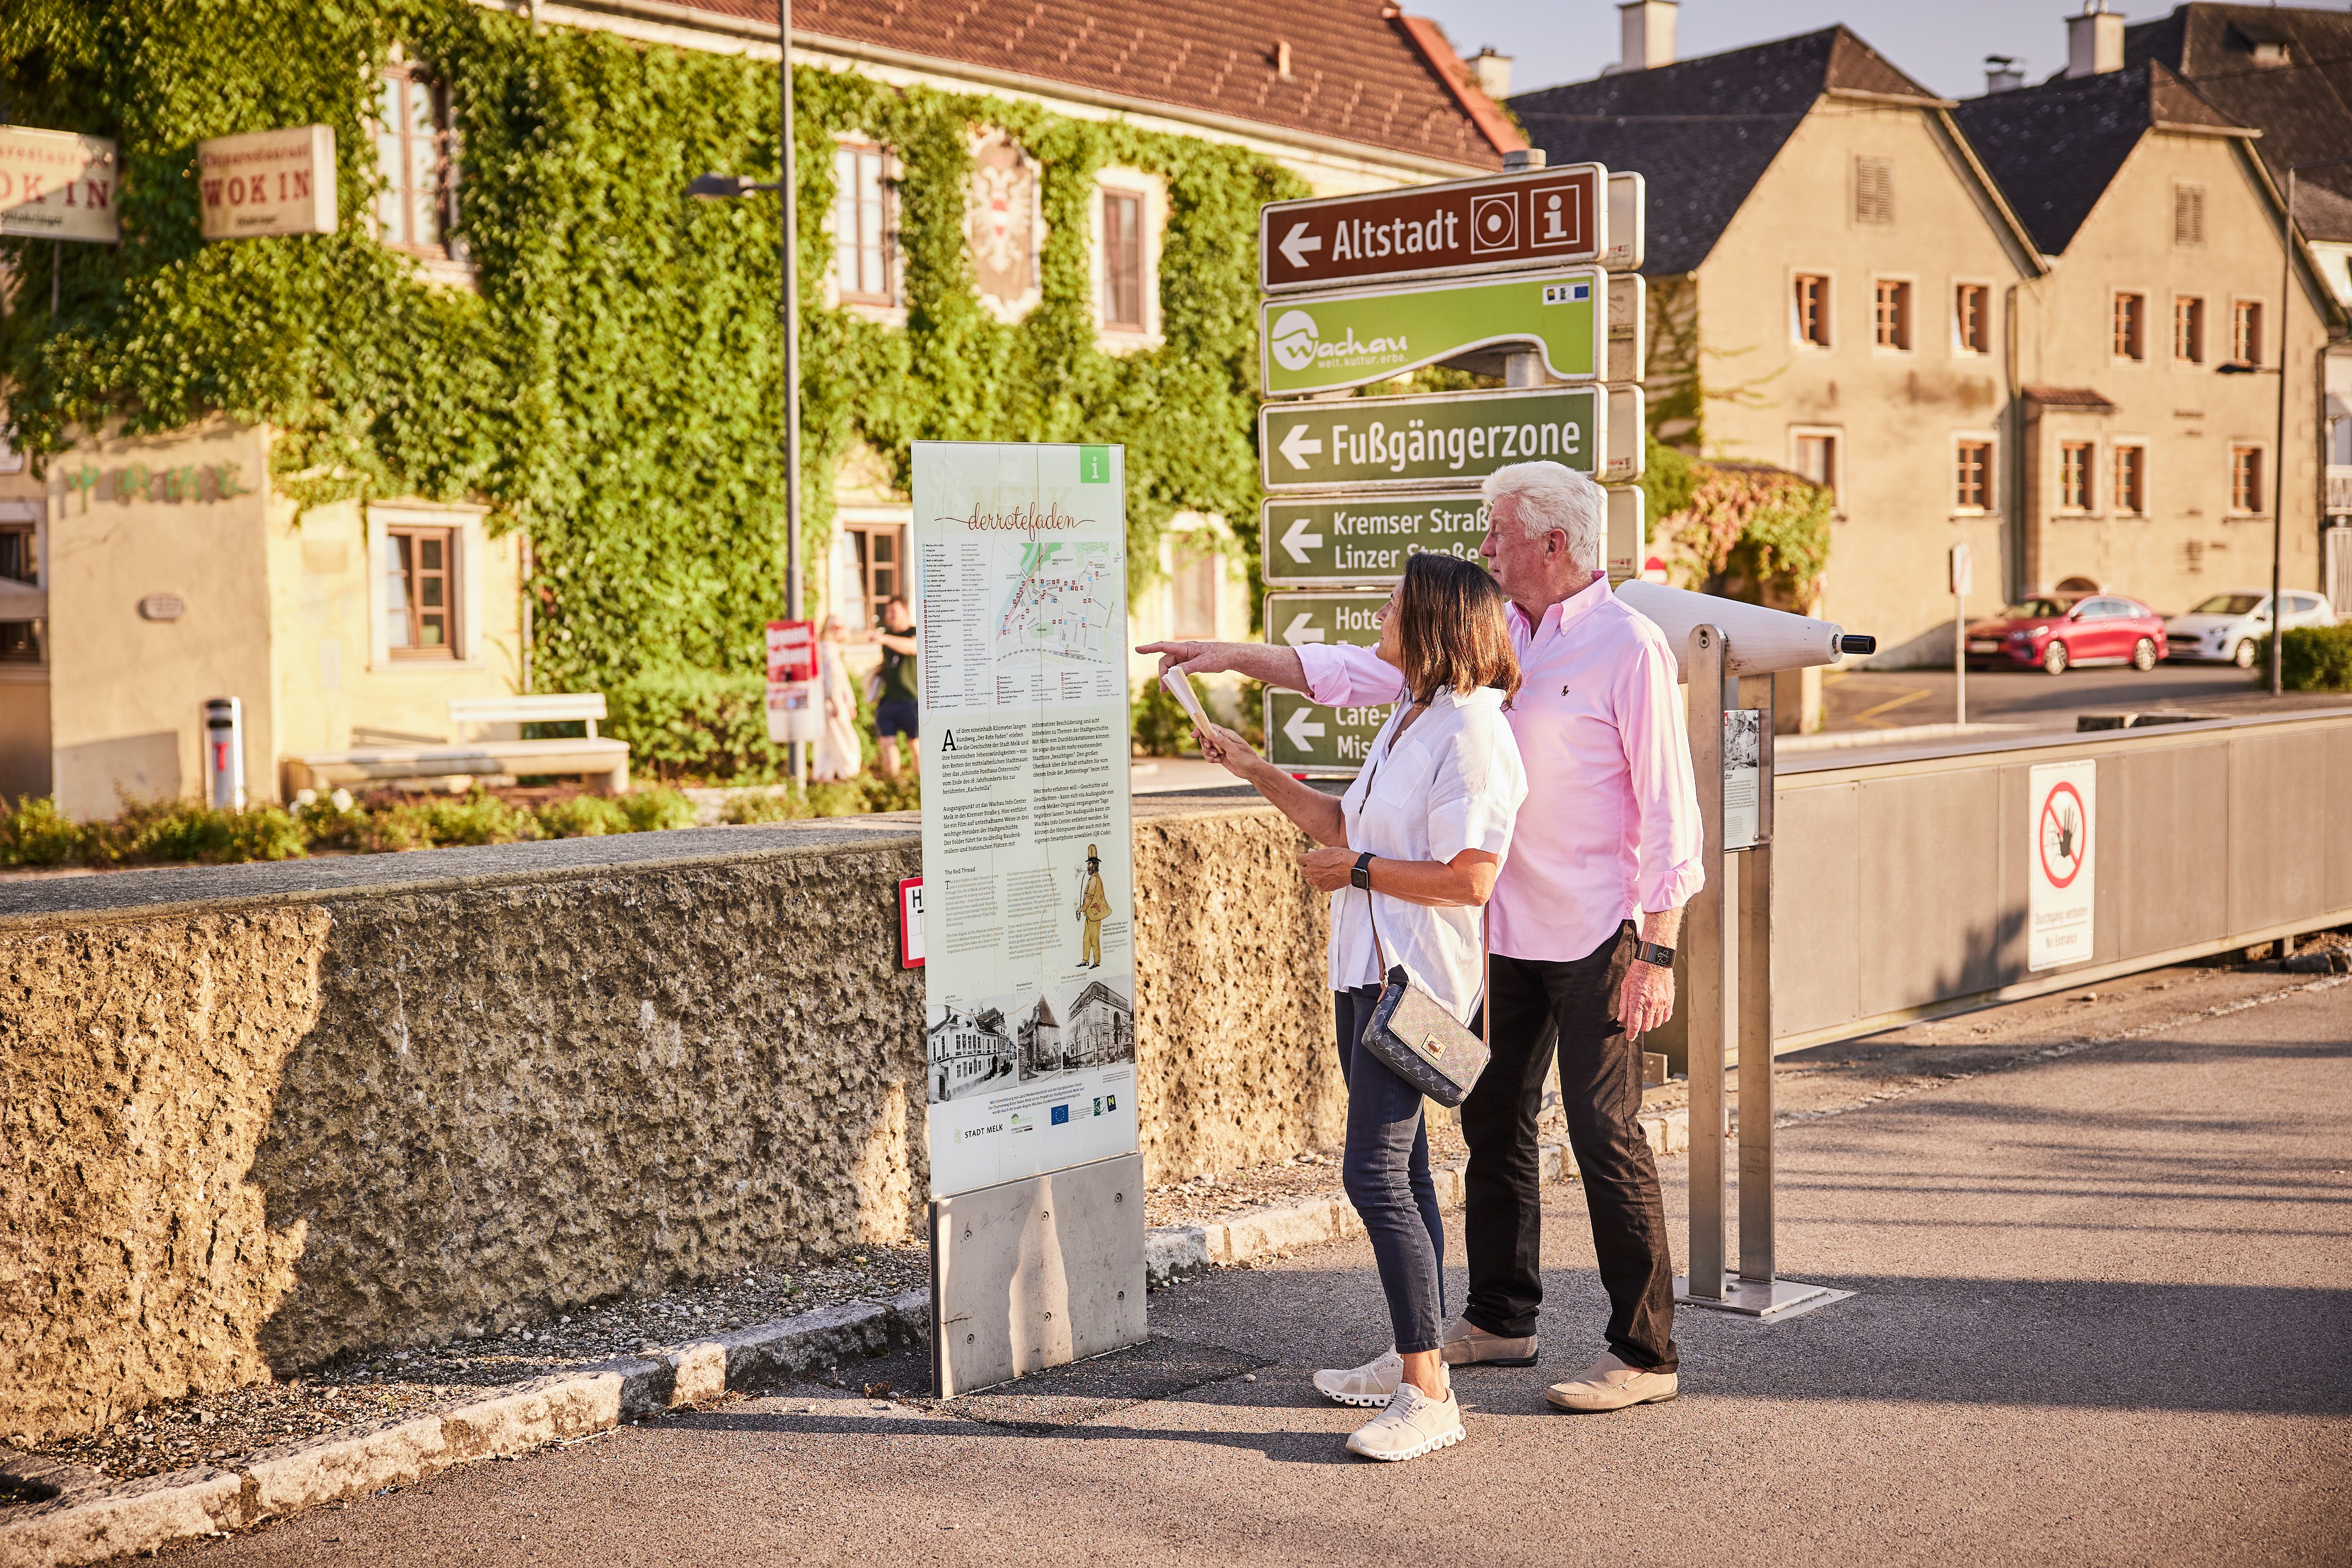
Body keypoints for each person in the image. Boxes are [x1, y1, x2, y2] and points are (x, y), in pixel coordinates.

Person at [1143, 460, 1702, 1416]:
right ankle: (1498, 1317)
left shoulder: (1628, 646)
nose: (1485, 549)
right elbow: (1356, 672)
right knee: (1492, 1125)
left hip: (1597, 932)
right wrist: (1231, 655)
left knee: (1602, 1130)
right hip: (1495, 934)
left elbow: (1668, 811)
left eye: (1496, 534)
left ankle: (1643, 1352)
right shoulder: (1497, 642)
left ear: (1551, 545)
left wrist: (1656, 949)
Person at [1186, 552, 1526, 1461]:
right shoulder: (1411, 717)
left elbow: (1469, 878)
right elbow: (1341, 828)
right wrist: (1253, 768)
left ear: (1434, 626)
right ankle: (1408, 1354)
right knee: (1404, 1171)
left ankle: (1428, 1390)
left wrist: (1359, 873)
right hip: (1365, 973)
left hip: (1412, 983)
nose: (1381, 613)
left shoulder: (1472, 735)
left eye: (1394, 604)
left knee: (1373, 1175)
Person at [872, 596, 920, 781]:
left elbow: (912, 648)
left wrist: (884, 638)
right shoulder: (887, 635)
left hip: (912, 700)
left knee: (916, 746)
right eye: (888, 612)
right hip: (890, 700)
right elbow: (888, 664)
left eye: (894, 611)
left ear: (906, 612)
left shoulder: (914, 632)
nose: (890, 616)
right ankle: (892, 787)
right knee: (887, 744)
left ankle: (918, 787)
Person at [812, 615, 863, 782]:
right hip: (832, 703)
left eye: (842, 627)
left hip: (833, 702)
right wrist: (835, 702)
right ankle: (848, 775)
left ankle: (828, 777)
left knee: (831, 744)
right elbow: (830, 679)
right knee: (846, 742)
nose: (839, 631)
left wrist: (850, 703)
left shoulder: (830, 648)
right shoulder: (827, 649)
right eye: (835, 627)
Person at [1074, 844, 1111, 968]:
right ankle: (1085, 960)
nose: (1088, 866)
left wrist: (1082, 908)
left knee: (1094, 939)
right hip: (1090, 915)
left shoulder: (1095, 879)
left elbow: (1090, 897)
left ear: (1094, 865)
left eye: (1089, 863)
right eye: (1088, 864)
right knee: (1086, 938)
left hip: (1095, 915)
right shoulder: (1092, 878)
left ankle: (1097, 962)